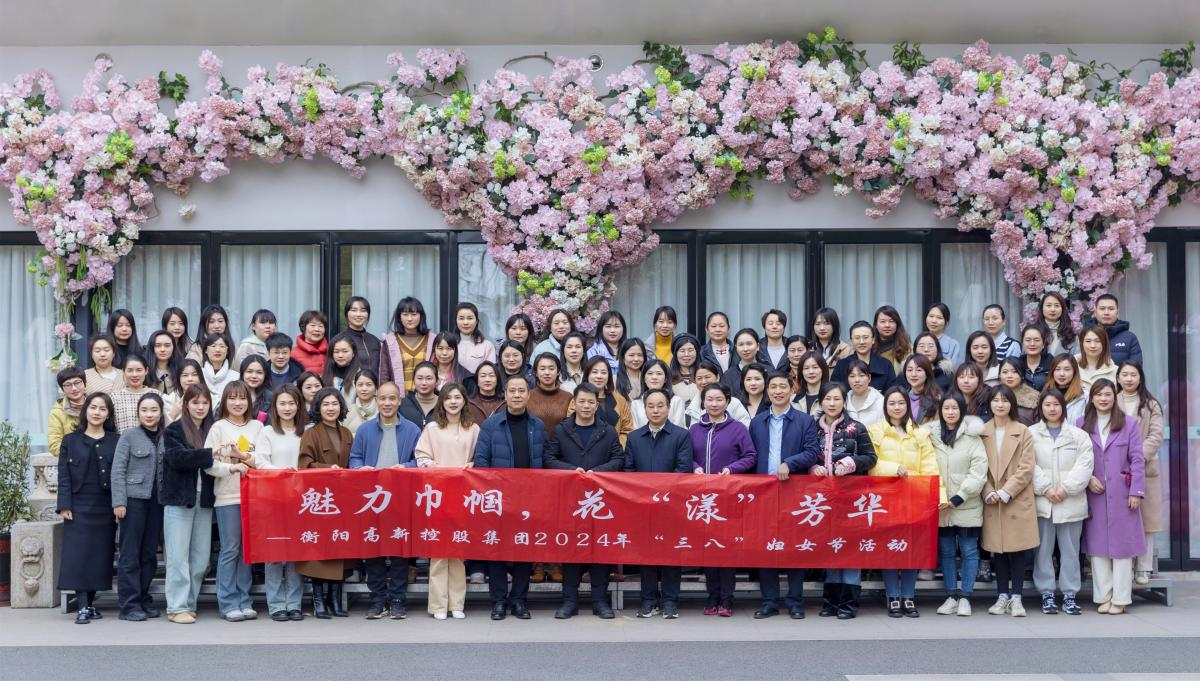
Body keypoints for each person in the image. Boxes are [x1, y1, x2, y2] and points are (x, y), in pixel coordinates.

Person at [545, 384, 624, 619]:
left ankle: (600, 601)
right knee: (571, 551)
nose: (586, 406)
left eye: (591, 402)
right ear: (574, 403)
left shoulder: (607, 431)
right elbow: (549, 458)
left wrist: (597, 472)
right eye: (582, 401)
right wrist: (572, 470)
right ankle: (569, 601)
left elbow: (618, 459)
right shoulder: (562, 430)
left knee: (600, 551)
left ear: (596, 405)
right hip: (571, 501)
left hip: (600, 502)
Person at [474, 375, 546, 620]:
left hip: (528, 500)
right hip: (499, 500)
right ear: (504, 395)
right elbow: (481, 461)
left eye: (521, 391)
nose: (516, 395)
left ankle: (519, 601)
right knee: (497, 551)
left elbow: (543, 462)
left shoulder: (537, 426)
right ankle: (498, 601)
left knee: (524, 551)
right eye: (512, 391)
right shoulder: (491, 425)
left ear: (528, 395)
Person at [348, 381, 422, 620]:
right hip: (372, 499)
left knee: (400, 552)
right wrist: (360, 468)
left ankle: (398, 599)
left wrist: (406, 467)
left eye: (392, 398)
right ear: (376, 401)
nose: (387, 403)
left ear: (399, 401)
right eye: (383, 398)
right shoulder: (364, 430)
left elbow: (420, 460)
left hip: (401, 499)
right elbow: (354, 458)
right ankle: (377, 599)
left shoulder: (412, 430)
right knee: (374, 550)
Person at [750, 372, 821, 619]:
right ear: (767, 391)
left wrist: (790, 463)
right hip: (764, 493)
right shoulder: (757, 422)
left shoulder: (804, 421)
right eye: (773, 387)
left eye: (783, 386)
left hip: (793, 491)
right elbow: (751, 456)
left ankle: (795, 601)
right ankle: (769, 602)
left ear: (792, 390)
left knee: (794, 547)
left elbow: (812, 452)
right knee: (766, 547)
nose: (778, 391)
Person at [869, 386, 942, 617]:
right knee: (890, 549)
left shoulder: (919, 433)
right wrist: (893, 468)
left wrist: (938, 496)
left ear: (908, 406)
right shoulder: (875, 431)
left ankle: (909, 596)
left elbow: (930, 466)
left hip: (914, 498)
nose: (897, 407)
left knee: (911, 549)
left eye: (901, 403)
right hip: (886, 499)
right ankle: (892, 596)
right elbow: (870, 463)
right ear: (885, 406)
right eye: (892, 403)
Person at [624, 388, 692, 619]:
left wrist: (662, 494)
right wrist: (644, 496)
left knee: (671, 555)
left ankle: (670, 601)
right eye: (651, 406)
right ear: (644, 409)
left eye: (660, 405)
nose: (655, 410)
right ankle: (648, 601)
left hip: (672, 507)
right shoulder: (634, 437)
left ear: (668, 408)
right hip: (643, 507)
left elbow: (683, 470)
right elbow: (629, 471)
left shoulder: (681, 436)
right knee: (647, 555)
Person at [690, 383, 757, 617]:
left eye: (719, 399)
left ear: (728, 401)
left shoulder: (737, 428)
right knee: (709, 548)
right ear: (703, 402)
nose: (714, 404)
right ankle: (712, 596)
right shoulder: (694, 429)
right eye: (709, 399)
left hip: (729, 497)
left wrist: (732, 468)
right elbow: (686, 456)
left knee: (727, 549)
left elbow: (751, 456)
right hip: (703, 499)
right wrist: (695, 467)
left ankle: (727, 599)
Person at [415, 383, 480, 620]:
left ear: (464, 401)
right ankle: (438, 605)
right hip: (438, 496)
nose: (453, 402)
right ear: (442, 401)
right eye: (448, 398)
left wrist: (473, 465)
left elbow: (480, 457)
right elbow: (421, 456)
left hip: (463, 496)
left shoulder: (473, 428)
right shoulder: (432, 428)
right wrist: (437, 469)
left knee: (458, 550)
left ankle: (457, 603)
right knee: (439, 551)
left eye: (457, 397)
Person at [812, 382, 877, 619]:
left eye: (837, 399)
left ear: (844, 401)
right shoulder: (812, 428)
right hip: (822, 500)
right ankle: (830, 602)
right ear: (821, 401)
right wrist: (813, 467)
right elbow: (807, 455)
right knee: (831, 548)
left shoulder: (856, 428)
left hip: (851, 499)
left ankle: (848, 604)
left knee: (850, 550)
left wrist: (849, 464)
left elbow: (871, 457)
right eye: (828, 399)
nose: (832, 403)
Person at [1081, 379, 1145, 615]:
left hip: (1122, 493)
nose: (1103, 399)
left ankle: (1121, 597)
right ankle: (1103, 596)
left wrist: (1136, 491)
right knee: (1098, 547)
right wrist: (1088, 478)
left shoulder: (1129, 424)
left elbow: (1137, 459)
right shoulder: (1081, 424)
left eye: (1108, 394)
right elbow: (1078, 459)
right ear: (1092, 398)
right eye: (1099, 395)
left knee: (1122, 547)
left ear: (1114, 397)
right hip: (1095, 493)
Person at [1030, 389, 1094, 616]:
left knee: (1070, 551)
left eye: (1056, 404)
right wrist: (1045, 488)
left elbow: (1085, 466)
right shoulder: (1030, 434)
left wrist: (1066, 489)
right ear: (1041, 407)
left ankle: (1069, 594)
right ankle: (1046, 593)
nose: (1052, 409)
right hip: (1043, 503)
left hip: (1071, 502)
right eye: (1047, 404)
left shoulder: (1078, 435)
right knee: (1043, 551)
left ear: (1063, 407)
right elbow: (1028, 465)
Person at [57, 392, 120, 624]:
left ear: (108, 414)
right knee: (79, 555)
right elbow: (64, 475)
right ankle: (82, 606)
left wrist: (119, 504)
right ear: (86, 410)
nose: (97, 412)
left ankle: (90, 604)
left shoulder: (116, 440)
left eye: (102, 409)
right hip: (78, 504)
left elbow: (120, 475)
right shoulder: (70, 440)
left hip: (106, 506)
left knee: (99, 555)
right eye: (93, 407)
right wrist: (64, 504)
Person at [204, 381, 262, 622]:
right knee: (231, 549)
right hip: (228, 496)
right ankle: (228, 602)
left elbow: (263, 459)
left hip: (255, 497)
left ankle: (244, 600)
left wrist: (244, 458)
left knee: (247, 551)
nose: (238, 403)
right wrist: (231, 467)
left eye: (242, 398)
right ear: (225, 401)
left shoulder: (258, 426)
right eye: (232, 398)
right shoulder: (218, 427)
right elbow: (208, 464)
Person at [980, 385, 1038, 617]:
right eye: (996, 400)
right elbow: (977, 466)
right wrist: (988, 491)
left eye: (1005, 400)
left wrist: (1006, 491)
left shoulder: (1023, 431)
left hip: (1015, 498)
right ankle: (1002, 595)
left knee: (1017, 551)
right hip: (991, 499)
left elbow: (1026, 467)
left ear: (1012, 404)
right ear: (989, 404)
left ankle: (1016, 597)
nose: (1000, 404)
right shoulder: (982, 432)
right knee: (999, 551)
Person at [160, 385, 217, 624]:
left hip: (204, 500)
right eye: (195, 402)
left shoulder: (213, 429)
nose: (200, 407)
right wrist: (210, 453)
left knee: (201, 558)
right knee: (177, 556)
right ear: (186, 404)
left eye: (204, 403)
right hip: (179, 500)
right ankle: (176, 606)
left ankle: (189, 603)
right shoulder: (174, 429)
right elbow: (178, 458)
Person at [927, 393, 987, 617]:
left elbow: (978, 471)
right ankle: (951, 595)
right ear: (940, 411)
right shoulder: (931, 436)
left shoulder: (973, 438)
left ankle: (966, 597)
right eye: (946, 408)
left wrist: (960, 496)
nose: (950, 412)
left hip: (966, 504)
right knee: (947, 551)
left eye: (955, 408)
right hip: (941, 505)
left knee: (969, 550)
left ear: (962, 411)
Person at [252, 385, 308, 621]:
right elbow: (260, 462)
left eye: (291, 403)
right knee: (274, 554)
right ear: (275, 406)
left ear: (299, 405)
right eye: (282, 403)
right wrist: (283, 472)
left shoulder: (306, 431)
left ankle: (294, 603)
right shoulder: (267, 432)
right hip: (273, 498)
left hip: (300, 500)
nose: (287, 408)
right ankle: (276, 605)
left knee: (295, 554)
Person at [297, 387, 354, 618]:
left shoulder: (347, 433)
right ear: (318, 408)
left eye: (335, 404)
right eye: (326, 404)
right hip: (320, 500)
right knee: (319, 551)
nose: (331, 408)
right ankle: (318, 600)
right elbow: (304, 465)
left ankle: (335, 599)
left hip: (343, 500)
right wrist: (327, 469)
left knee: (340, 548)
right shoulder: (311, 433)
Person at [111, 392, 167, 621]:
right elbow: (118, 470)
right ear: (138, 413)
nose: (149, 414)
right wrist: (119, 502)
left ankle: (144, 598)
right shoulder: (129, 435)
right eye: (144, 410)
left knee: (149, 554)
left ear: (161, 412)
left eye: (154, 410)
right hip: (133, 502)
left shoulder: (166, 436)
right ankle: (129, 605)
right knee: (130, 554)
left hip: (157, 503)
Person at [1115, 361, 1165, 584]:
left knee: (1146, 520)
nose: (1128, 379)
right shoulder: (1111, 400)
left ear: (1140, 378)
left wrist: (1137, 457)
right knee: (1122, 518)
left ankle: (1143, 568)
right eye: (1124, 374)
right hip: (1117, 468)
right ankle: (1125, 566)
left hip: (1144, 468)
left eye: (1133, 374)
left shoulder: (1151, 404)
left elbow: (1156, 435)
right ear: (1118, 378)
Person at [569, 356, 634, 446]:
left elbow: (627, 429)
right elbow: (571, 429)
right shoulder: (577, 400)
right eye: (594, 372)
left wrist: (616, 448)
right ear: (587, 375)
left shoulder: (620, 400)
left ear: (609, 376)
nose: (599, 376)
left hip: (615, 450)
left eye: (603, 372)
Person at [378, 296, 437, 394]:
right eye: (405, 314)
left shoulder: (433, 340)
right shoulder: (390, 341)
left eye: (414, 314)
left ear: (421, 316)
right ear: (399, 317)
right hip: (399, 399)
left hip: (427, 399)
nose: (409, 319)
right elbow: (384, 375)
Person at [681, 360, 752, 427]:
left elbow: (745, 428)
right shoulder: (690, 409)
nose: (704, 381)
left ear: (717, 377)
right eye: (699, 378)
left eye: (707, 377)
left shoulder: (733, 403)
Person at [829, 321, 895, 391]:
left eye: (865, 337)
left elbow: (892, 393)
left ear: (873, 340)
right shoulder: (842, 365)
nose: (861, 342)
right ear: (851, 341)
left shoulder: (886, 365)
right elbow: (834, 392)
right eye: (857, 338)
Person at [110, 355, 164, 432]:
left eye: (139, 370)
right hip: (122, 439)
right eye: (130, 370)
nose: (134, 375)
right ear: (123, 372)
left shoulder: (156, 394)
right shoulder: (114, 397)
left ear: (146, 371)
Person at [526, 353, 574, 437]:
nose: (547, 373)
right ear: (536, 372)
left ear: (558, 372)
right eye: (542, 369)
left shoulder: (568, 397)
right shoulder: (527, 397)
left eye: (551, 369)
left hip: (561, 444)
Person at [630, 360, 687, 429]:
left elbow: (679, 428)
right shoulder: (636, 403)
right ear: (644, 378)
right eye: (650, 373)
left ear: (666, 379)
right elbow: (636, 430)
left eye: (659, 374)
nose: (654, 377)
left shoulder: (676, 401)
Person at [1089, 294, 1142, 366]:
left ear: (1117, 313)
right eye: (1102, 308)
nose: (1106, 313)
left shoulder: (1130, 338)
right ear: (1095, 312)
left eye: (1111, 309)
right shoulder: (1085, 336)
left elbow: (1135, 369)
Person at [336, 296, 382, 374]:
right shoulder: (340, 339)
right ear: (347, 313)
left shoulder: (375, 340)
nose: (358, 314)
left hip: (374, 381)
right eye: (354, 310)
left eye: (363, 311)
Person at [49, 367, 87, 455]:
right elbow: (54, 445)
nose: (74, 388)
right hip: (73, 460)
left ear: (85, 384)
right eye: (68, 385)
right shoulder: (57, 413)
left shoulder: (96, 406)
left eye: (77, 382)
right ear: (62, 389)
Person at [721, 328, 766, 400]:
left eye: (749, 344)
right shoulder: (728, 376)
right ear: (736, 347)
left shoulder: (768, 371)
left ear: (758, 346)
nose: (745, 349)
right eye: (741, 344)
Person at [453, 302, 497, 373]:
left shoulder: (487, 346)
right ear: (456, 321)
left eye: (470, 318)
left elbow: (490, 373)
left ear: (476, 321)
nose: (465, 322)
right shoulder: (449, 344)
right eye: (461, 318)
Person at [199, 332, 239, 408]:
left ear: (227, 351)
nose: (218, 350)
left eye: (222, 346)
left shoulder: (236, 377)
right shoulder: (198, 374)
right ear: (206, 350)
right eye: (213, 346)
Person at [899, 355, 942, 424]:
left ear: (927, 373)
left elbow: (938, 427)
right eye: (909, 370)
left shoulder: (937, 399)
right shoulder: (900, 397)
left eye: (919, 370)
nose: (913, 374)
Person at [1048, 353, 1089, 425]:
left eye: (1067, 369)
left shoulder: (1084, 396)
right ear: (1052, 372)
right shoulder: (1045, 393)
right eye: (1057, 369)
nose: (1061, 374)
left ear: (1074, 372)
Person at [998, 358, 1039, 426]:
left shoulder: (1035, 397)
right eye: (1005, 372)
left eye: (1015, 372)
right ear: (999, 375)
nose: (1009, 376)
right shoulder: (993, 394)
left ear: (1022, 375)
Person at [1076, 326, 1118, 393]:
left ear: (1104, 344)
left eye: (1098, 341)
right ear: (1081, 343)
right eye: (1088, 341)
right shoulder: (1071, 366)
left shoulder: (1115, 370)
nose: (1093, 346)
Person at [844, 359, 885, 426]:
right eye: (852, 376)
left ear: (869, 378)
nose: (857, 380)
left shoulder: (880, 401)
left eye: (861, 375)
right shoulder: (844, 401)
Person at [400, 362, 440, 429]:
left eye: (429, 378)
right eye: (420, 378)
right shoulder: (403, 404)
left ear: (437, 381)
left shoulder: (444, 403)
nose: (424, 383)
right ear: (413, 380)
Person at [1036, 292, 1077, 356]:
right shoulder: (1033, 332)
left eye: (1057, 305)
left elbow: (1077, 360)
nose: (1052, 309)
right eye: (1048, 305)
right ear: (1042, 308)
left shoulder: (1071, 336)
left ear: (1062, 309)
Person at [874, 305, 912, 374]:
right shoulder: (869, 346)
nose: (887, 325)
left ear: (897, 324)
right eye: (883, 321)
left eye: (891, 321)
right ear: (876, 325)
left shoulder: (907, 348)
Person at [925, 303, 963, 367]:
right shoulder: (920, 341)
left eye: (939, 318)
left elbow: (955, 369)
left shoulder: (953, 345)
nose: (934, 321)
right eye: (931, 316)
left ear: (946, 323)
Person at [291, 310, 329, 375]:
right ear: (303, 328)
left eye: (320, 326)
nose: (317, 329)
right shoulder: (293, 354)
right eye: (313, 325)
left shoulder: (332, 351)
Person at [341, 368, 379, 433]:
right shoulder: (348, 411)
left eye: (369, 385)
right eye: (360, 385)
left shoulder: (383, 410)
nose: (364, 389)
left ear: (376, 387)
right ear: (355, 387)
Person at [793, 351, 829, 417]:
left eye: (815, 367)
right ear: (801, 372)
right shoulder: (792, 400)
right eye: (806, 368)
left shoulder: (831, 398)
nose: (811, 372)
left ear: (823, 370)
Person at [669, 334, 702, 404]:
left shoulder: (705, 375)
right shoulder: (667, 377)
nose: (686, 354)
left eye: (690, 350)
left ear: (697, 352)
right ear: (675, 353)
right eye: (682, 350)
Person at [239, 355, 273, 422]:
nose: (254, 376)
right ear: (242, 373)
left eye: (259, 372)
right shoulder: (232, 392)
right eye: (249, 371)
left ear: (265, 375)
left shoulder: (270, 397)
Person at [1019, 325, 1053, 391]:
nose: (1032, 344)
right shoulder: (1017, 364)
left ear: (1043, 344)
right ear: (1022, 343)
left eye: (1037, 340)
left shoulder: (1052, 363)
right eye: (1028, 340)